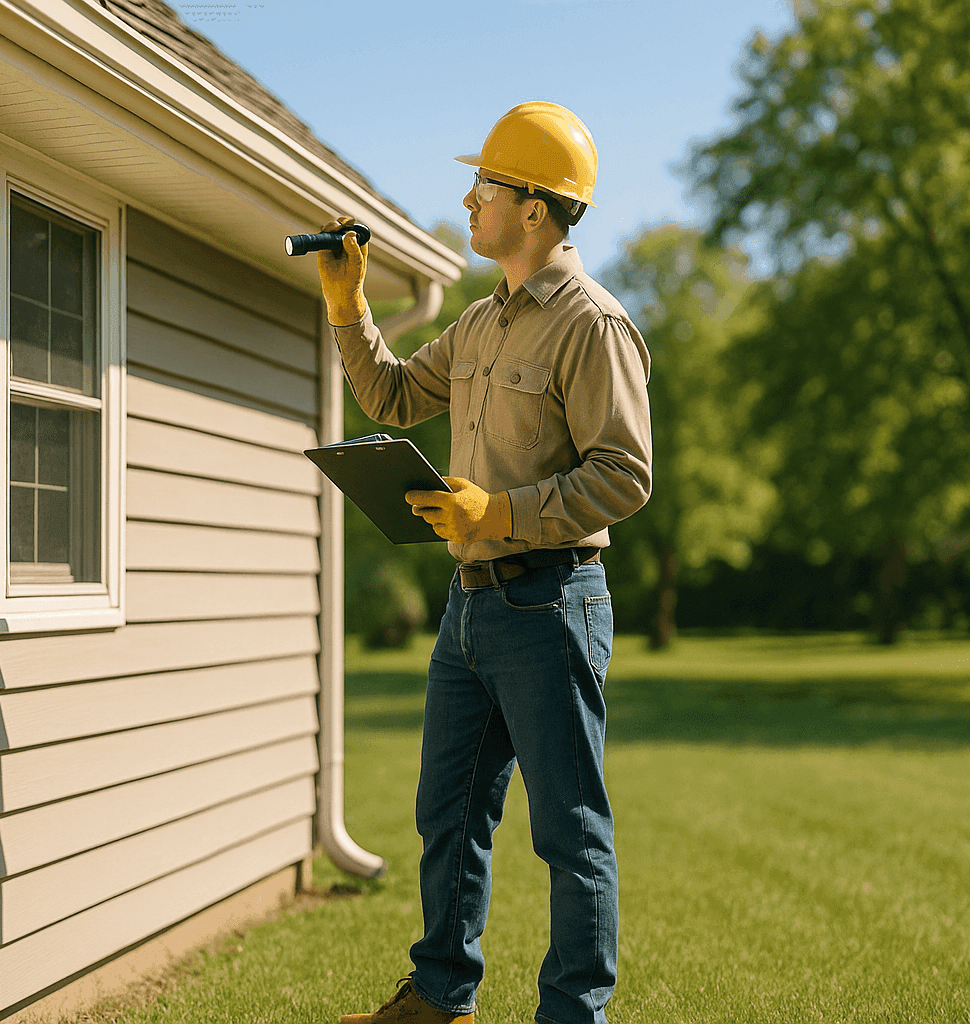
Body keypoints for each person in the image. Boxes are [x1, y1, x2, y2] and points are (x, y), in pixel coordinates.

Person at [320, 102, 653, 1024]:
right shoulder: (478, 324)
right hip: (470, 609)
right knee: (448, 814)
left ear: (536, 209)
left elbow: (626, 478)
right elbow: (389, 396)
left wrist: (498, 510)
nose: (469, 198)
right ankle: (438, 999)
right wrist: (348, 305)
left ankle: (571, 1014)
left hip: (552, 606)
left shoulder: (595, 326)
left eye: (487, 185)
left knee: (570, 830)